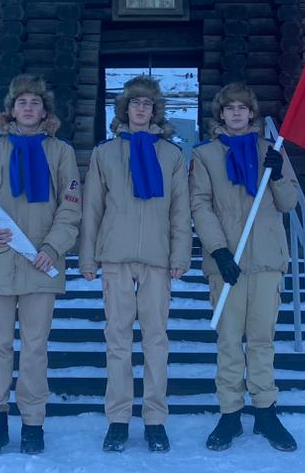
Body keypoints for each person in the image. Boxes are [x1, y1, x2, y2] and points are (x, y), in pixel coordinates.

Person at [0, 74, 82, 457]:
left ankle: (33, 423)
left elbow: (71, 205)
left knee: (34, 347)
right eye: (22, 102)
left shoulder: (60, 151)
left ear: (44, 111)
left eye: (35, 102)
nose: (28, 108)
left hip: (41, 263)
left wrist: (54, 246)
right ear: (11, 110)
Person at [78, 75, 192, 453]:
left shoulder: (172, 155)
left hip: (158, 259)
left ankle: (155, 419)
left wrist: (180, 254)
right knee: (118, 340)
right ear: (124, 109)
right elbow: (92, 207)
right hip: (115, 256)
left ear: (155, 110)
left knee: (156, 340)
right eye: (134, 103)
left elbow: (181, 210)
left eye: (147, 104)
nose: (141, 109)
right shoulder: (105, 153)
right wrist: (88, 254)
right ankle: (118, 418)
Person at [190, 82, 300, 452]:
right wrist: (218, 251)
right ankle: (230, 412)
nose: (236, 113)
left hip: (266, 258)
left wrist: (279, 171)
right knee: (229, 339)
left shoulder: (272, 151)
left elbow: (287, 203)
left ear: (251, 113)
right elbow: (200, 205)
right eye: (229, 108)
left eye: (242, 108)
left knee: (262, 339)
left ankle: (266, 409)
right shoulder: (205, 155)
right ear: (220, 114)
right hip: (228, 261)